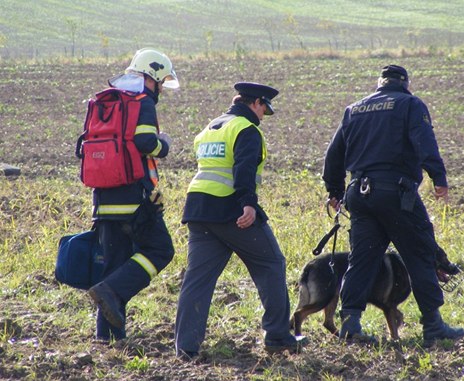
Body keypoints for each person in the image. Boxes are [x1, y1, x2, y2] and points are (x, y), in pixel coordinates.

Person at [322, 64, 464, 347]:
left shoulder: (355, 109)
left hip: (359, 195)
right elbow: (424, 141)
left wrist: (334, 190)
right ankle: (433, 325)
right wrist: (438, 176)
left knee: (361, 260)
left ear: (379, 84)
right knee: (420, 253)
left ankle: (350, 323)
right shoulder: (410, 104)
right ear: (406, 84)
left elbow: (333, 154)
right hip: (396, 194)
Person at [175, 82, 307, 359]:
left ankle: (186, 346)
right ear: (256, 102)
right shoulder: (246, 129)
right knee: (271, 263)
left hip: (199, 209)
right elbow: (243, 168)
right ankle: (277, 335)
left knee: (197, 280)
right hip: (230, 208)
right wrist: (248, 204)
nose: (263, 117)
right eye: (264, 110)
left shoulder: (213, 126)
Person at [86, 48, 179, 342]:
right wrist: (164, 146)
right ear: (151, 77)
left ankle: (108, 339)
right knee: (160, 250)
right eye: (161, 81)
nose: (161, 88)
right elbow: (144, 142)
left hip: (103, 200)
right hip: (136, 199)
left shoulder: (108, 101)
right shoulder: (142, 103)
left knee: (115, 268)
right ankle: (111, 291)